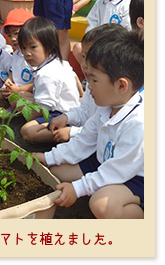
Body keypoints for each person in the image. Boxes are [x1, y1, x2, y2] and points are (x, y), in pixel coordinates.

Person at [35, 29, 144, 219]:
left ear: (121, 85)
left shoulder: (139, 124)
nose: (88, 86)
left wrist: (78, 189)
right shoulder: (107, 106)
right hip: (105, 162)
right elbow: (82, 142)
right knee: (54, 171)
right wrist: (47, 157)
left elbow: (117, 170)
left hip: (137, 178)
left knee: (101, 204)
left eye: (93, 79)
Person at [50, 23, 127, 143]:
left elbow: (99, 131)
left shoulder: (113, 95)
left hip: (94, 140)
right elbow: (86, 111)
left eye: (92, 58)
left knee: (33, 132)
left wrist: (72, 132)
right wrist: (67, 117)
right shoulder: (95, 84)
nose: (85, 64)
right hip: (87, 134)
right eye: (84, 56)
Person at [18, 17, 80, 143]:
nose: (27, 53)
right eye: (23, 48)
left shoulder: (46, 74)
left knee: (27, 131)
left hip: (60, 114)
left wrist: (28, 118)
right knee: (20, 97)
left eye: (33, 47)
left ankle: (70, 134)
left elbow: (43, 108)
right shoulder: (58, 62)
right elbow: (75, 76)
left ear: (50, 46)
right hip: (70, 108)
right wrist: (81, 95)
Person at [0, 8, 35, 109]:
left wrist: (19, 89)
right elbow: (13, 73)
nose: (13, 38)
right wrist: (7, 84)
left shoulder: (35, 56)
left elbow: (37, 84)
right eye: (9, 35)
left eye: (16, 33)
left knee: (16, 99)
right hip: (15, 89)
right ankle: (11, 105)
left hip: (29, 92)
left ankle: (14, 107)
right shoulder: (17, 53)